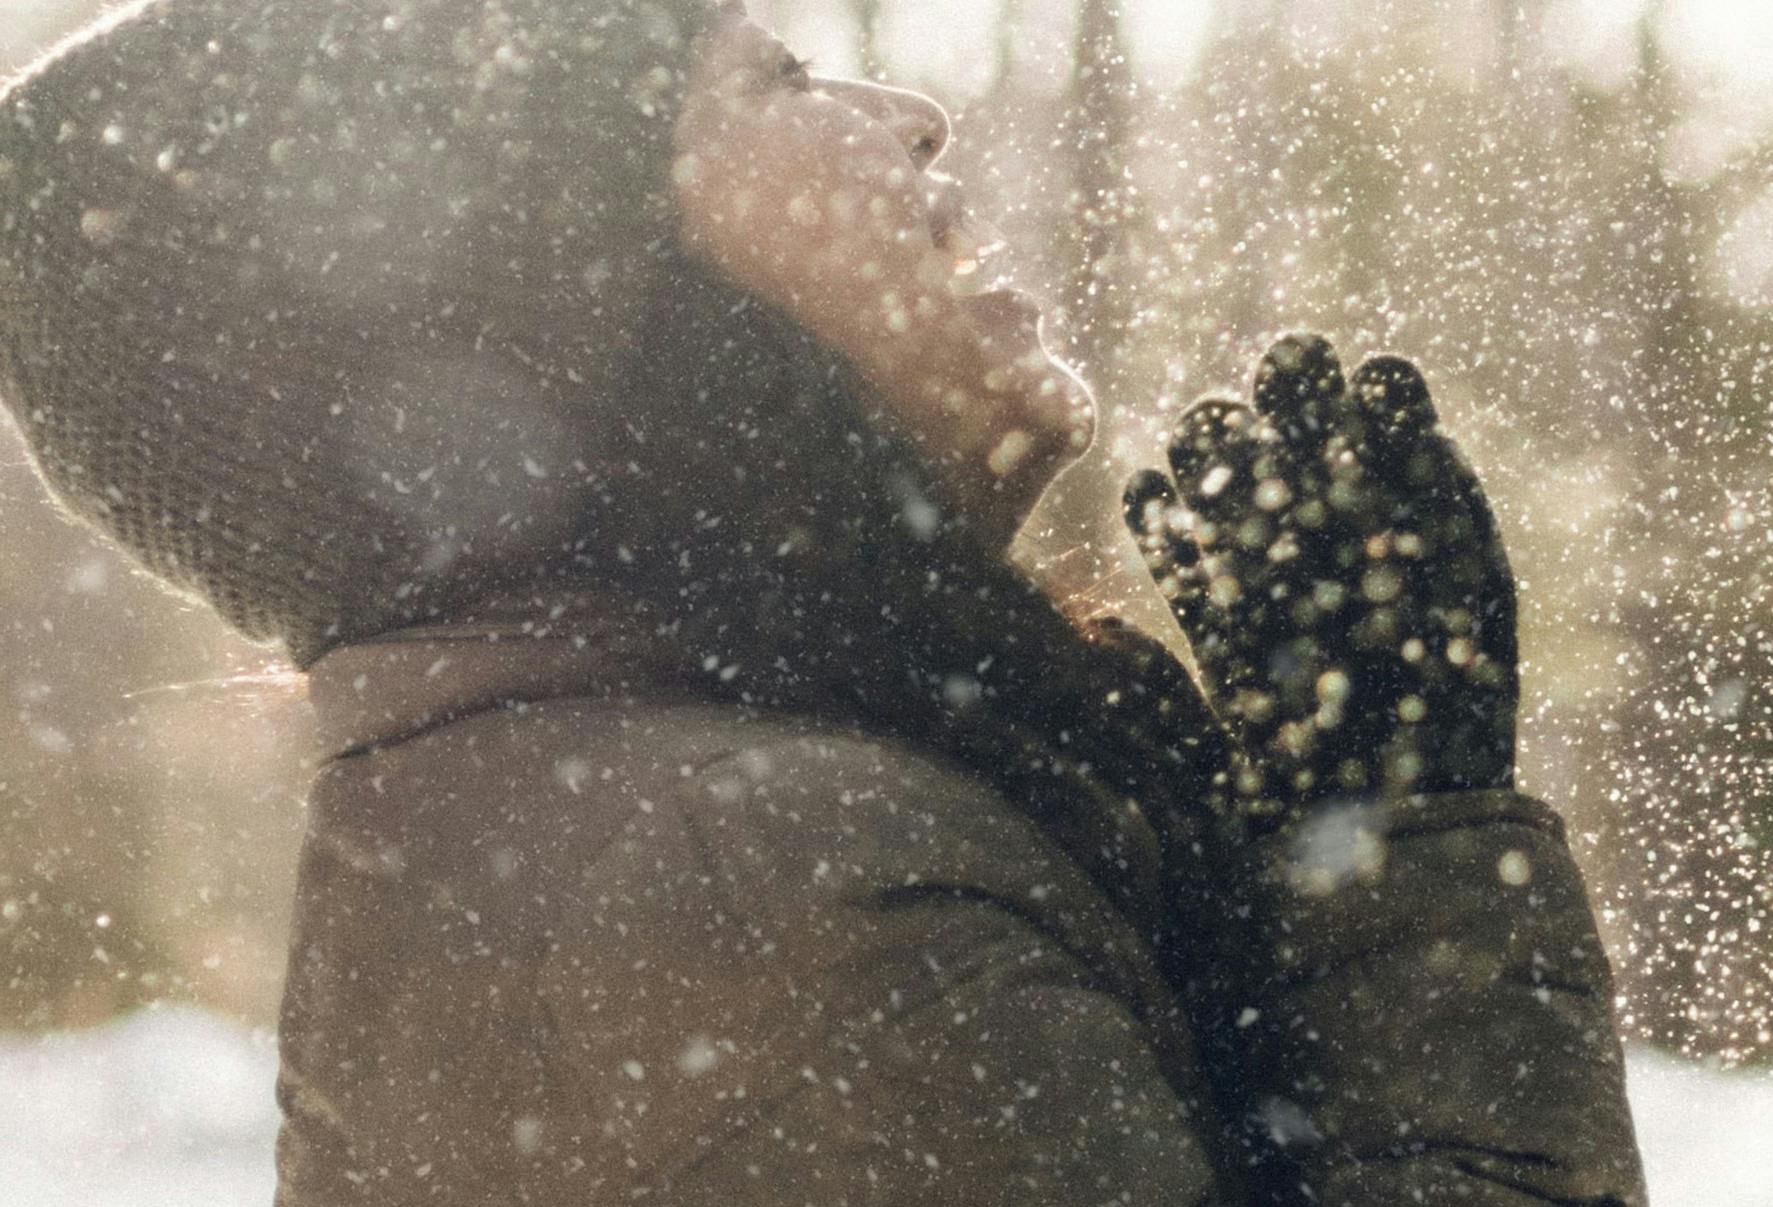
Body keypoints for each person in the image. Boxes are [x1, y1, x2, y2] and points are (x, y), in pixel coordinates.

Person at [0, 0, 1647, 1203]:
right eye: (769, 78)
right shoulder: (758, 887)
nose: (909, 108)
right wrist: (1411, 834)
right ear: (574, 309)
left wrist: (1332, 841)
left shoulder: (616, 826)